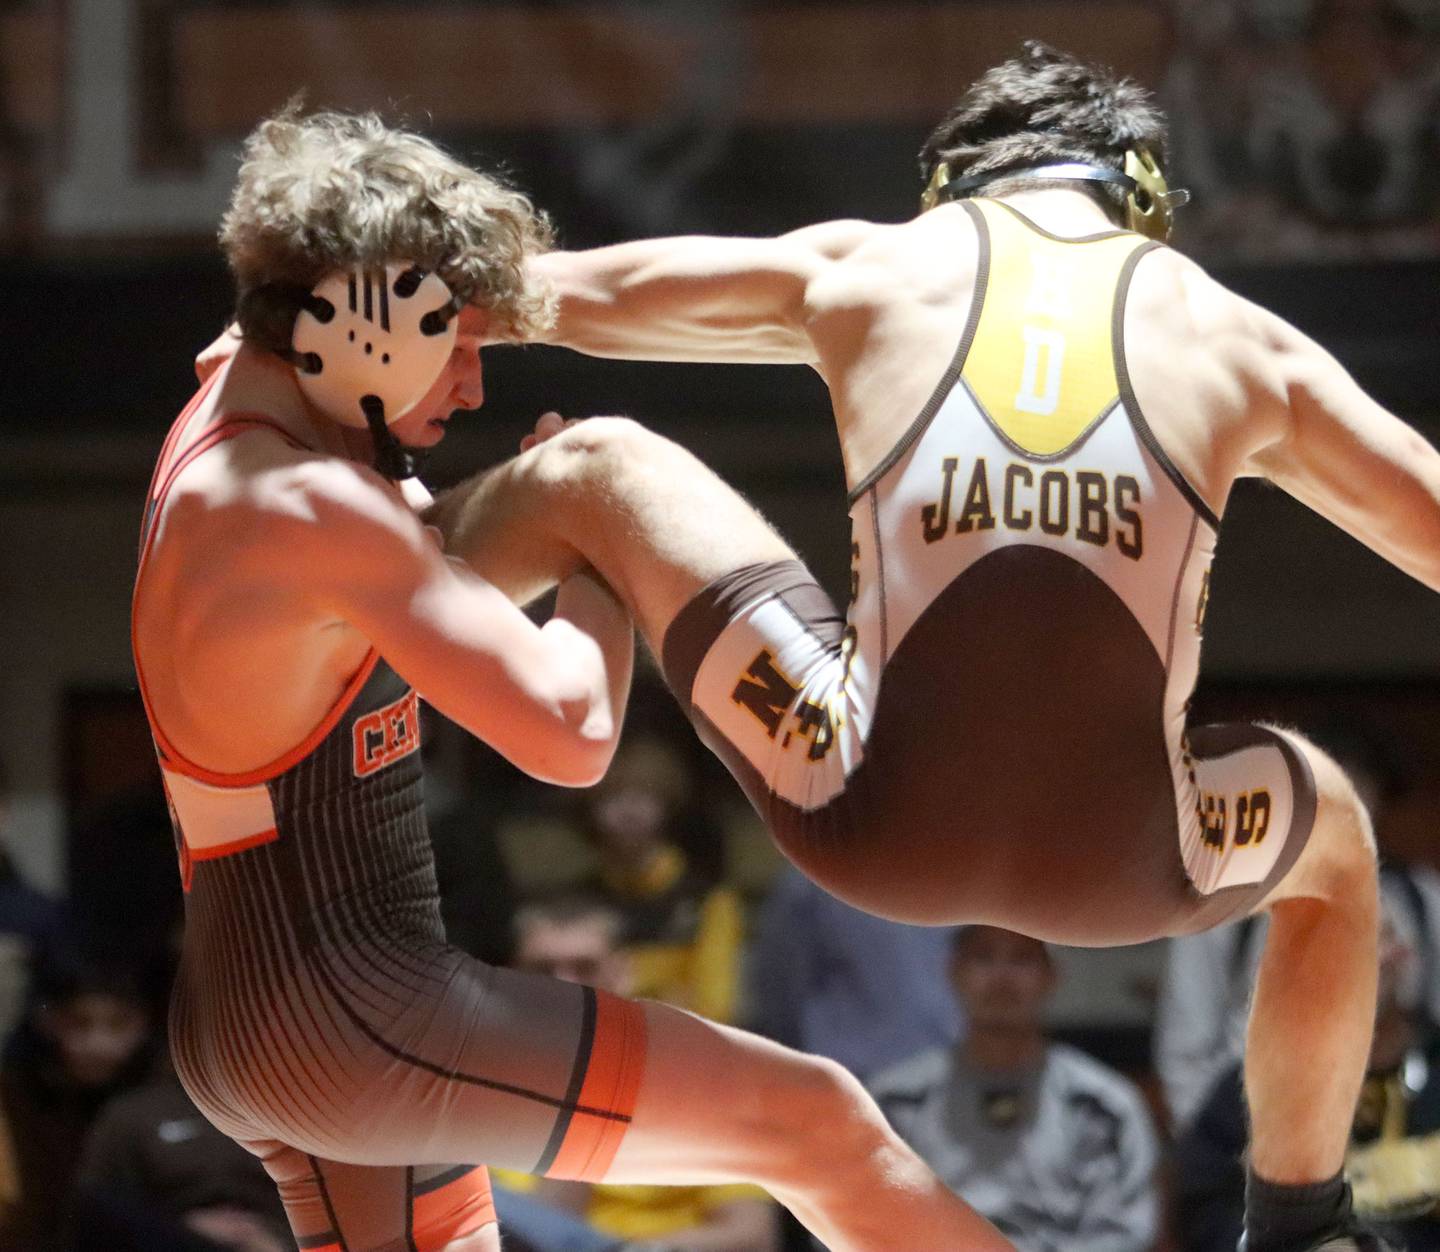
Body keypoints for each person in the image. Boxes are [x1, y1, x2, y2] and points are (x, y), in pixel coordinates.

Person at [433, 40, 1440, 1252]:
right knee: (1333, 837)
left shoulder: (880, 264)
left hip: (865, 808)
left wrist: (336, 316)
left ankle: (360, 583)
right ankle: (1300, 1225)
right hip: (1133, 856)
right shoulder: (1240, 338)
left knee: (595, 467)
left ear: (954, 182)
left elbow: (556, 294)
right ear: (1148, 204)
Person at [146, 108, 1011, 1252]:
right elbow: (575, 735)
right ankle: (841, 736)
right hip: (353, 1017)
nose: (468, 384)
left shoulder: (233, 401)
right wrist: (596, 572)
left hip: (254, 1020)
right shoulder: (316, 509)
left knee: (577, 480)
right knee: (819, 1123)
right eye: (452, 343)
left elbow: (304, 264)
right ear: (348, 323)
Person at [499, 897, 781, 1251]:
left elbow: (752, 1237)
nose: (564, 985)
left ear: (622, 972)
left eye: (585, 967)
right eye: (543, 969)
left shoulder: (701, 1083)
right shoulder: (472, 1088)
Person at [1175, 890, 1440, 1252]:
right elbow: (1205, 1210)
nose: (1343, 960)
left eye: (1365, 939)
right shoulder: (1252, 1086)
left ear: (1404, 956)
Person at [868, 925, 1160, 1252]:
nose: (1002, 977)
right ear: (953, 971)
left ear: (1052, 975)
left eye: (1022, 959)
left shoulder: (1102, 1107)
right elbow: (853, 1221)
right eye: (983, 957)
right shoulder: (895, 1102)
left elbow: (1123, 1233)